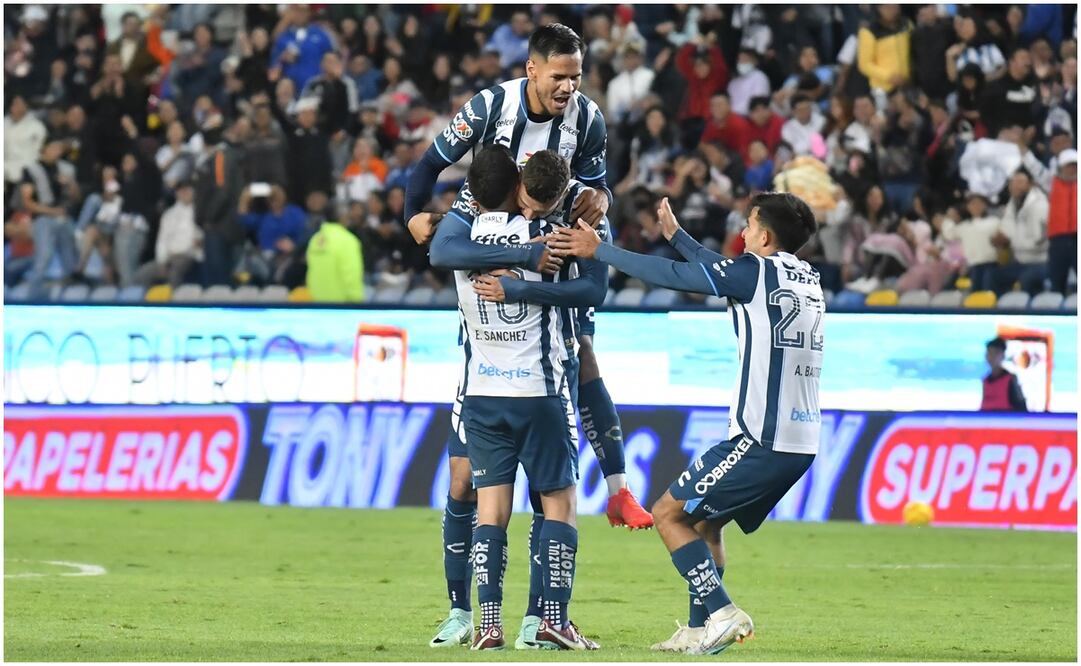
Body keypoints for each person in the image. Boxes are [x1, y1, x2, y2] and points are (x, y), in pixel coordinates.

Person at [404, 27, 653, 648]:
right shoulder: (491, 109)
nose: (568, 87)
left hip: (551, 243)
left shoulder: (588, 120)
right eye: (558, 76)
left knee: (581, 357)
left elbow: (597, 193)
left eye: (576, 76)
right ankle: (463, 611)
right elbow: (425, 167)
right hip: (495, 253)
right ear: (532, 68)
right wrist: (412, 213)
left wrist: (598, 201)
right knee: (465, 478)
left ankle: (541, 614)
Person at [549, 191, 821, 655]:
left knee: (668, 514)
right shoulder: (807, 278)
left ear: (766, 237)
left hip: (760, 437)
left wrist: (602, 252)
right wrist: (678, 237)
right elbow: (719, 268)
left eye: (749, 227)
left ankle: (723, 612)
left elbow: (678, 276)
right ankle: (698, 629)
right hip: (800, 440)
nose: (742, 234)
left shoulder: (753, 271)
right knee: (705, 523)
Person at [428, 146, 602, 651]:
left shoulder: (465, 237)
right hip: (538, 389)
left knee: (491, 510)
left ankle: (487, 625)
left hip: (482, 392)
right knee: (559, 503)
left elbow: (441, 251)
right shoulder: (553, 235)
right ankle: (551, 619)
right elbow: (593, 293)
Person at [132, 180, 202, 287]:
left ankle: (174, 302)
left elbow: (198, 237)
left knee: (175, 273)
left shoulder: (199, 211)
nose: (184, 193)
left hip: (189, 256)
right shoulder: (169, 215)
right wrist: (163, 261)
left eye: (187, 190)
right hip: (168, 258)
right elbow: (162, 240)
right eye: (181, 191)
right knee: (142, 274)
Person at [993, 169, 1049, 296]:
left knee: (1027, 280)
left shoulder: (1041, 205)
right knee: (993, 277)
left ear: (1030, 184)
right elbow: (1005, 229)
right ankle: (999, 313)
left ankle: (1029, 314)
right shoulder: (1011, 205)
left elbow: (1040, 242)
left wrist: (1012, 242)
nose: (1015, 186)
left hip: (1041, 261)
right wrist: (999, 238)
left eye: (1020, 182)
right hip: (1019, 261)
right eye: (1012, 182)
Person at [306, 202, 364, 302]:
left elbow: (310, 274)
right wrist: (357, 303)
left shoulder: (315, 240)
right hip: (342, 308)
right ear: (343, 217)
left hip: (317, 304)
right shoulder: (348, 240)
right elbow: (351, 276)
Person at [980, 337, 1027, 412]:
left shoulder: (1010, 379)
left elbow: (1021, 408)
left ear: (1002, 356)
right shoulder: (986, 381)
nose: (990, 357)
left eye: (994, 353)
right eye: (989, 353)